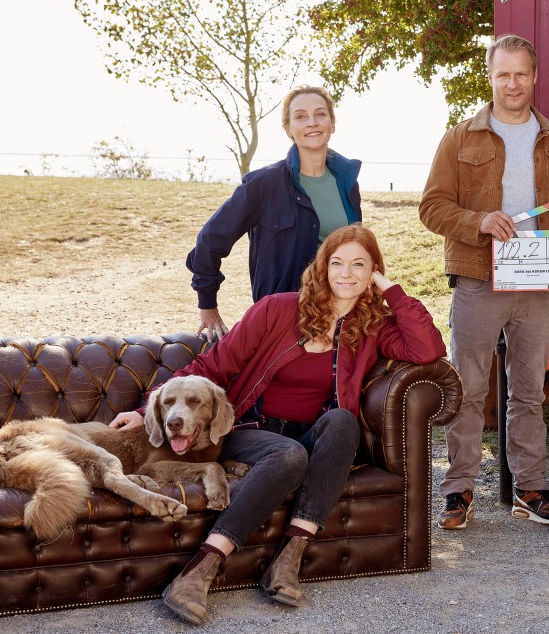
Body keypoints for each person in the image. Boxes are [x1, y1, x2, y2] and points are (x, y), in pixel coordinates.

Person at [110, 225, 445, 625]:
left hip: (311, 433)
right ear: (322, 268)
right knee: (288, 454)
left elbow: (427, 348)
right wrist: (148, 406)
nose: (346, 273)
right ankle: (199, 568)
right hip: (252, 429)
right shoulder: (276, 309)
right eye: (336, 263)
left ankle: (289, 558)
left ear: (373, 269)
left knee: (341, 422)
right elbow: (211, 367)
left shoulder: (371, 325)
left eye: (360, 264)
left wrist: (391, 291)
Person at [419, 34, 549, 530]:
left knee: (529, 391)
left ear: (534, 77)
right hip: (478, 277)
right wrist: (477, 220)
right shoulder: (460, 139)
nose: (512, 83)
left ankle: (530, 488)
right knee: (468, 388)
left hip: (538, 281)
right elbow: (431, 207)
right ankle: (458, 491)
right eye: (503, 74)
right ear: (491, 77)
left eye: (521, 73)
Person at [187, 86, 362, 340]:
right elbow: (209, 242)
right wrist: (208, 306)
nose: (312, 122)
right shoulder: (264, 184)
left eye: (320, 114)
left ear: (332, 123)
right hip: (283, 323)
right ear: (288, 129)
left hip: (343, 318)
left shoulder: (347, 183)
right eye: (301, 116)